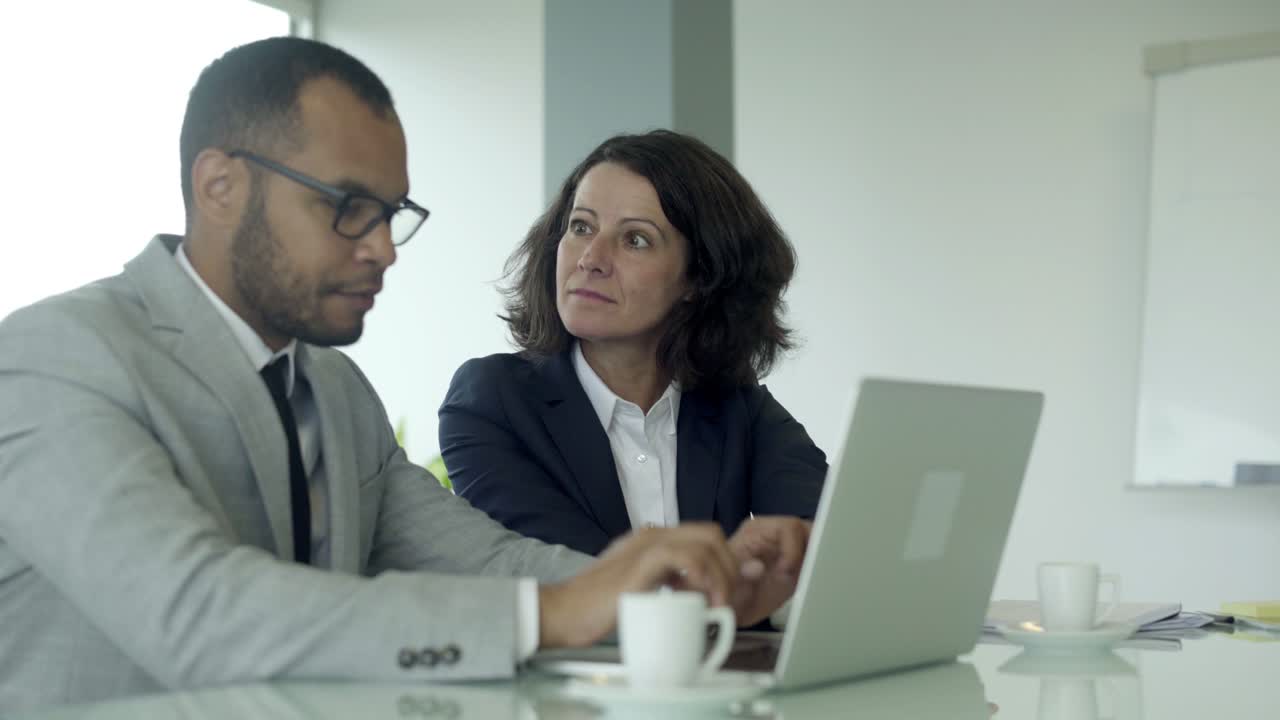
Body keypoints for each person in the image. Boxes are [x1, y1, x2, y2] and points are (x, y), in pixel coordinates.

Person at [0, 39, 807, 712]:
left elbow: (492, 562)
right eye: (347, 205)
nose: (383, 248)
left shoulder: (336, 393)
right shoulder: (55, 356)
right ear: (220, 187)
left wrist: (681, 595)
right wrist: (553, 612)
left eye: (392, 214)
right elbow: (197, 610)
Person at [439, 130, 827, 558]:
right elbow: (574, 574)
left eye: (634, 239)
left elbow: (827, 542)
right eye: (581, 227)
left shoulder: (737, 406)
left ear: (700, 277)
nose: (590, 259)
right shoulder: (491, 400)